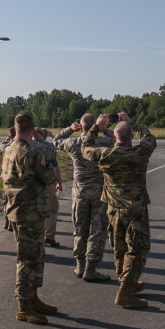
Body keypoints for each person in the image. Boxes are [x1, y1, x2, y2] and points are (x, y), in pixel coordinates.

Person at [81, 112, 156, 308]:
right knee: (138, 249)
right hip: (134, 210)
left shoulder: (105, 154)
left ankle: (126, 280)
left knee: (120, 246)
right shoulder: (140, 153)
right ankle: (125, 290)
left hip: (113, 209)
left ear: (114, 137)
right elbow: (149, 139)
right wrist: (132, 123)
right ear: (131, 137)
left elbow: (85, 148)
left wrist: (96, 127)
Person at [2, 113, 57, 324]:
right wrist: (47, 166)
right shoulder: (30, 153)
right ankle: (23, 306)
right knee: (28, 260)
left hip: (18, 209)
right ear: (33, 128)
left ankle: (33, 298)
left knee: (33, 257)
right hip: (30, 211)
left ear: (15, 128)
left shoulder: (8, 149)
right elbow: (48, 178)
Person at [54, 114, 114, 281]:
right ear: (95, 125)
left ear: (80, 126)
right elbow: (119, 139)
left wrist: (70, 129)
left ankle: (79, 265)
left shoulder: (73, 143)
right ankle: (91, 267)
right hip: (99, 192)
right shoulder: (104, 142)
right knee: (98, 230)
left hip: (80, 192)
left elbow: (56, 140)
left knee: (80, 228)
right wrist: (105, 130)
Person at [33, 128, 63, 247]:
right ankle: (49, 235)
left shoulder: (27, 146)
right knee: (52, 208)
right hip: (47, 182)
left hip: (32, 183)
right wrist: (59, 183)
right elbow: (56, 170)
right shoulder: (46, 149)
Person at [0, 127, 15, 231]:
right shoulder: (17, 145)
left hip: (6, 176)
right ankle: (12, 222)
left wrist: (5, 140)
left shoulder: (7, 146)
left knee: (6, 200)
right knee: (13, 201)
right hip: (15, 177)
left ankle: (6, 221)